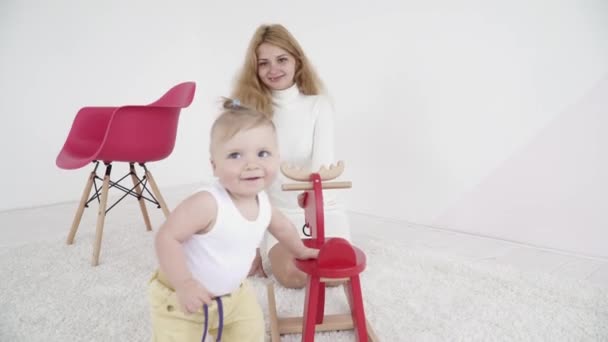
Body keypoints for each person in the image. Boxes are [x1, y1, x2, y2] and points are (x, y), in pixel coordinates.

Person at [147, 99, 319, 342]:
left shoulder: (263, 201)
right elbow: (167, 237)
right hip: (183, 298)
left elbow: (283, 227)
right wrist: (184, 283)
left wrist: (300, 250)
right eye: (235, 155)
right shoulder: (207, 203)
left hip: (234, 296)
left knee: (252, 333)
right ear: (214, 166)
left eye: (263, 153)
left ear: (277, 158)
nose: (251, 164)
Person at [232, 24, 351, 289]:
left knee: (335, 276)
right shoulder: (250, 112)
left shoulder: (318, 106)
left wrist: (312, 202)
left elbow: (323, 167)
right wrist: (251, 245)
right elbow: (244, 183)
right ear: (255, 69)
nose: (273, 69)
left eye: (281, 59)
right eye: (264, 63)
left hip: (323, 210)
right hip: (279, 217)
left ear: (297, 61)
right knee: (295, 277)